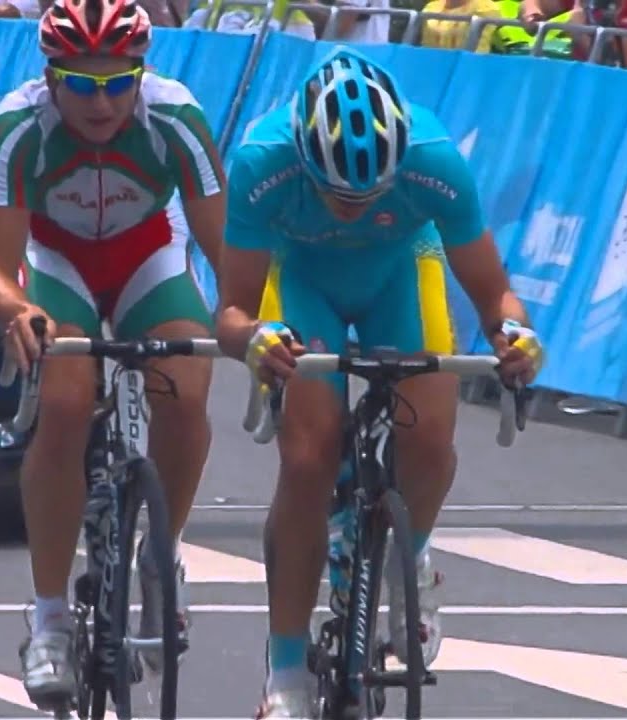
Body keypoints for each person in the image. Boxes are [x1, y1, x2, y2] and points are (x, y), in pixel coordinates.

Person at [214, 46, 544, 717]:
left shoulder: (435, 162)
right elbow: (232, 312)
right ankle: (284, 673)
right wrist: (254, 341)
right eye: (338, 194)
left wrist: (517, 337)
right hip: (302, 280)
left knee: (430, 439)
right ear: (304, 159)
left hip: (401, 273)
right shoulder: (260, 164)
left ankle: (411, 559)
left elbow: (494, 295)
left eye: (370, 194)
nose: (353, 207)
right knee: (307, 460)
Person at [0, 0, 225, 707]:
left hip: (148, 254)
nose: (102, 100)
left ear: (141, 75)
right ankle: (50, 619)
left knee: (187, 388)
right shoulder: (17, 128)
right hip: (60, 264)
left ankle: (161, 553)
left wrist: (250, 324)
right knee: (63, 402)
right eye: (81, 84)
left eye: (119, 82)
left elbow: (224, 248)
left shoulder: (175, 118)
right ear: (50, 77)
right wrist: (17, 308)